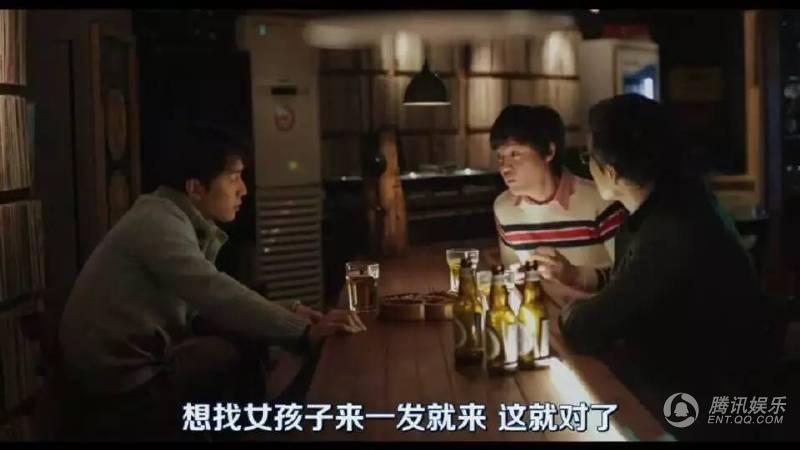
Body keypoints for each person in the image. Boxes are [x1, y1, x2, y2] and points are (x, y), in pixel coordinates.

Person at [58, 122, 365, 441]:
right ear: (196, 188)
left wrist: (292, 311)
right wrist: (301, 332)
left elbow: (204, 305)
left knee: (241, 343)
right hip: (119, 379)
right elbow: (214, 293)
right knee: (240, 348)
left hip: (135, 363)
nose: (243, 190)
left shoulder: (176, 218)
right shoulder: (158, 222)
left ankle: (260, 427)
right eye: (233, 178)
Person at [531, 94, 767, 441]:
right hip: (695, 386)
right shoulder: (677, 203)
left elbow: (588, 328)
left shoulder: (669, 230)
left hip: (701, 408)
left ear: (612, 173)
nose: (587, 164)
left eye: (588, 157)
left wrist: (572, 312)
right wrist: (584, 287)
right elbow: (638, 289)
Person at [490, 104, 626, 303]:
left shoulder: (600, 200)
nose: (505, 168)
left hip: (600, 314)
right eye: (500, 157)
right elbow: (512, 278)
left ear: (549, 152)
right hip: (541, 314)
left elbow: (628, 279)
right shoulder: (504, 208)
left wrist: (573, 275)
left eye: (515, 154)